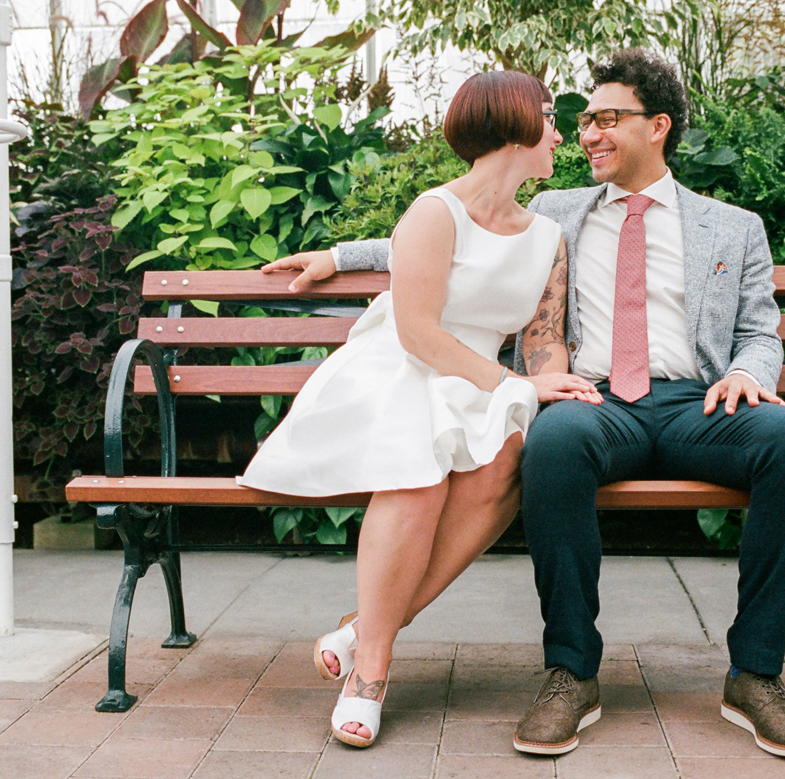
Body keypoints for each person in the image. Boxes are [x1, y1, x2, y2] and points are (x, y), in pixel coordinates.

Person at [263, 49, 785, 759]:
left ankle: (756, 674)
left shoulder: (732, 226)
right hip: (594, 400)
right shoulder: (556, 211)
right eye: (579, 120)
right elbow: (458, 230)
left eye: (605, 119)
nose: (584, 132)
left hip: (697, 402)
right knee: (553, 442)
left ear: (656, 126)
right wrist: (341, 255)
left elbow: (758, 328)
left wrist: (748, 370)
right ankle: (570, 670)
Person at [238, 70, 603, 748]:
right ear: (517, 125)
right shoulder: (433, 211)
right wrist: (515, 387)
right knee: (417, 474)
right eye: (552, 120)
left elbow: (543, 338)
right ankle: (370, 672)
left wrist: (554, 384)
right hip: (404, 366)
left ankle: (360, 630)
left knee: (506, 465)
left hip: (482, 381)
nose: (561, 135)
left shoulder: (546, 234)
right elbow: (417, 332)